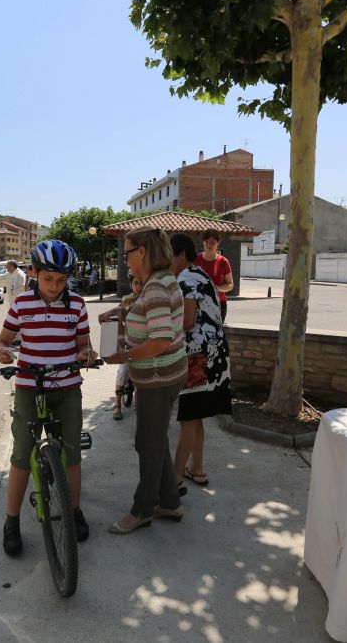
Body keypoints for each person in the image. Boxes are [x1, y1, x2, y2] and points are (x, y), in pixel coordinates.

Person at [0, 239, 98, 555]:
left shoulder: (77, 305)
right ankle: (11, 521)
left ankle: (74, 509)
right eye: (48, 279)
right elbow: (2, 342)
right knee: (22, 454)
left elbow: (84, 345)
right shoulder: (22, 304)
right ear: (35, 273)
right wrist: (2, 353)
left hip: (67, 387)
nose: (54, 286)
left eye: (61, 280)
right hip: (28, 386)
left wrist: (87, 353)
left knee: (73, 454)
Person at [104, 227, 187, 534]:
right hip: (165, 374)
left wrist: (126, 357)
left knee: (147, 444)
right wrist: (117, 315)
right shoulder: (160, 281)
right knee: (156, 440)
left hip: (157, 378)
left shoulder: (154, 288)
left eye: (126, 252)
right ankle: (170, 502)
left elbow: (161, 339)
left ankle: (142, 510)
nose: (123, 259)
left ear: (142, 251)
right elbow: (144, 315)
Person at [170, 233, 232, 494]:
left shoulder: (186, 277)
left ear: (181, 254)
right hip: (214, 354)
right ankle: (197, 469)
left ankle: (172, 483)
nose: (165, 263)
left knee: (188, 419)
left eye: (167, 256)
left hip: (198, 356)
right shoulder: (200, 273)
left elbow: (186, 321)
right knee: (196, 417)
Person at [98, 275, 143, 420]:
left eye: (142, 283)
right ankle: (117, 404)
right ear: (131, 284)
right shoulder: (127, 300)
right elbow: (118, 310)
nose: (139, 286)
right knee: (123, 371)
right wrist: (109, 313)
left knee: (142, 373)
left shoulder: (149, 298)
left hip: (144, 342)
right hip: (129, 341)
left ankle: (139, 401)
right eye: (136, 283)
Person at [194, 229, 234, 320]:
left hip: (219, 303)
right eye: (206, 242)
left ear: (218, 243)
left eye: (212, 242)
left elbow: (230, 285)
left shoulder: (223, 261)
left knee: (216, 333)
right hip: (199, 303)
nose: (209, 245)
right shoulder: (196, 260)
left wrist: (215, 288)